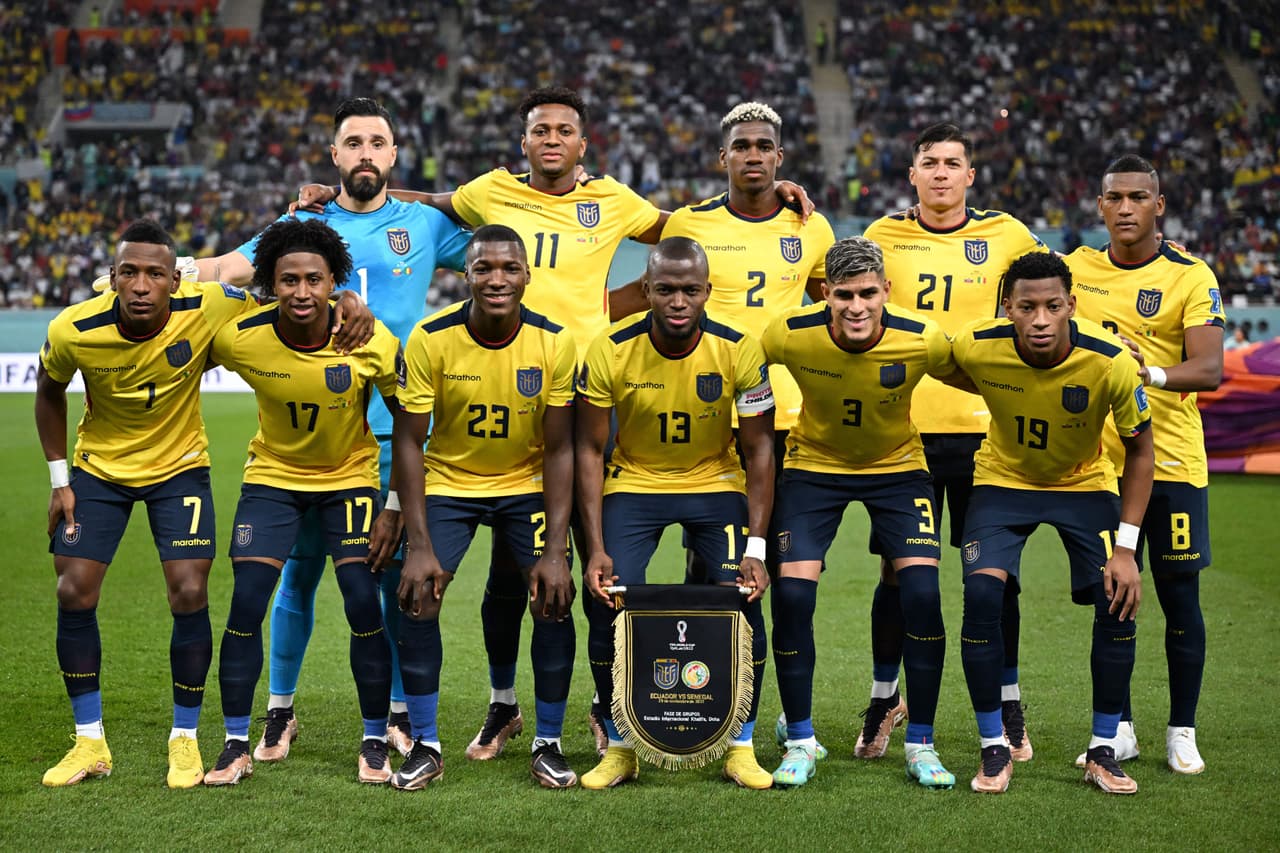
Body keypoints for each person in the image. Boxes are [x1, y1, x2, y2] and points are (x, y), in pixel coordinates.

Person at [301, 85, 810, 760]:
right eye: (540, 129)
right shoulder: (490, 192)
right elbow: (425, 206)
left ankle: (606, 708)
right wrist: (328, 198)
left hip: (591, 386)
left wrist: (768, 194)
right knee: (514, 577)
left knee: (573, 567)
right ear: (524, 142)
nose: (551, 139)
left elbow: (683, 231)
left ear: (582, 142)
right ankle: (505, 705)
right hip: (513, 380)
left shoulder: (616, 200)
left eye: (564, 130)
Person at [198, 97, 472, 761]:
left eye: (379, 142)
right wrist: (142, 277)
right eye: (354, 142)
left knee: (392, 583)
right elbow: (227, 269)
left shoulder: (426, 224)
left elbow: (509, 242)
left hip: (404, 439)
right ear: (334, 155)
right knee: (297, 578)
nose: (367, 153)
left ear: (395, 155)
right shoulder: (304, 223)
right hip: (320, 441)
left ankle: (399, 715)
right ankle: (281, 711)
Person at [35, 219, 256, 788]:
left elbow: (276, 290)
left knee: (189, 590)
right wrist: (61, 480)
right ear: (110, 279)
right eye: (128, 272)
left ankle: (184, 740)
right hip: (100, 471)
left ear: (172, 280)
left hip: (180, 468)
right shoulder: (75, 328)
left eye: (154, 273)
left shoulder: (205, 307)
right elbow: (48, 389)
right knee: (73, 588)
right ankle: (89, 741)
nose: (140, 285)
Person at [857, 123, 1047, 762]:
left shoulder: (1010, 235)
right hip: (902, 433)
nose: (941, 173)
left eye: (953, 163)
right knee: (898, 574)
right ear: (911, 173)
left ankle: (1009, 700)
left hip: (989, 433)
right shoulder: (881, 237)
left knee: (994, 578)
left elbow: (1053, 293)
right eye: (929, 163)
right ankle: (887, 697)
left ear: (971, 175)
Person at [659, 100, 836, 758]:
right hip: (706, 421)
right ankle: (712, 709)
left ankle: (792, 723)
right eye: (742, 146)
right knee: (712, 574)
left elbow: (833, 310)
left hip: (786, 422)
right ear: (723, 157)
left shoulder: (810, 227)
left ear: (780, 158)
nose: (754, 155)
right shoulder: (690, 223)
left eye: (765, 145)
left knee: (781, 576)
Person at [203, 219, 402, 786]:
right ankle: (236, 742)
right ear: (270, 283)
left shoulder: (367, 337)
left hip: (348, 478)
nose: (301, 292)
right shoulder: (242, 336)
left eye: (315, 280)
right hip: (273, 479)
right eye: (287, 280)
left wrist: (394, 502)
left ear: (333, 281)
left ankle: (373, 738)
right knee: (246, 604)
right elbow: (182, 332)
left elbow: (411, 417)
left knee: (364, 601)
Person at [575, 237, 775, 790]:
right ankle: (620, 745)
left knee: (743, 601)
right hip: (634, 484)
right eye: (665, 289)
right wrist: (594, 546)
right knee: (608, 600)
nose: (679, 300)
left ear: (708, 291)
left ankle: (741, 744)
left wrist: (756, 549)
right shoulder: (609, 347)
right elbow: (590, 450)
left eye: (691, 290)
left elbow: (760, 450)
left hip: (715, 482)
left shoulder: (740, 347)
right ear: (646, 291)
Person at [952, 251, 1154, 794]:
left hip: (1083, 486)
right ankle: (994, 746)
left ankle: (1104, 748)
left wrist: (1128, 548)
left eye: (1052, 306)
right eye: (1027, 307)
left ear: (1072, 305)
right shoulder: (975, 345)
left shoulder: (1110, 361)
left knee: (1118, 597)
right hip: (1002, 483)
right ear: (1007, 309)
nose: (1040, 319)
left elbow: (1141, 453)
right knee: (982, 596)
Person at [763, 236, 957, 789]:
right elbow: (737, 363)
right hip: (813, 468)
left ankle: (920, 741)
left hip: (898, 469)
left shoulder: (921, 339)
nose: (856, 307)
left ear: (886, 292)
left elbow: (979, 370)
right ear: (824, 293)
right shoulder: (788, 333)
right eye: (844, 294)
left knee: (921, 595)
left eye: (868, 294)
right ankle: (799, 738)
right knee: (794, 595)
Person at [390, 225, 578, 789]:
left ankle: (548, 742)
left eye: (508, 268)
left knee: (551, 597)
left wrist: (555, 549)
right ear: (463, 274)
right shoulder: (429, 337)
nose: (497, 279)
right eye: (484, 268)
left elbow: (562, 447)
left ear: (526, 274)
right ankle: (425, 743)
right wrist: (418, 544)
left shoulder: (555, 341)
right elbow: (408, 440)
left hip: (525, 485)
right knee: (418, 595)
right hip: (451, 482)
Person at [1067, 154, 1224, 774]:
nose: (1126, 208)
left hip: (1176, 461)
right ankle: (1120, 728)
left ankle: (1181, 730)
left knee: (1180, 596)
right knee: (1112, 599)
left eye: (1138, 197)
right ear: (1100, 206)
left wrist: (1146, 371)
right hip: (1103, 465)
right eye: (1115, 198)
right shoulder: (1076, 268)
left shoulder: (1191, 275)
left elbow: (1208, 368)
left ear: (1158, 205)